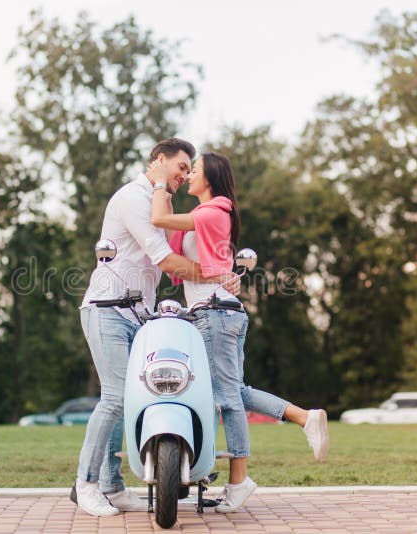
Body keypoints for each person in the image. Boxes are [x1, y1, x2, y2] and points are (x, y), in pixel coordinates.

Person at [148, 152, 330, 513]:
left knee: (228, 399)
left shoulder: (214, 210)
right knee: (236, 391)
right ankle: (304, 417)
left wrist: (157, 181)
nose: (189, 176)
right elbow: (171, 242)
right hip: (216, 312)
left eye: (193, 171)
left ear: (211, 177)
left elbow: (157, 218)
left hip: (215, 314)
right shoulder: (205, 215)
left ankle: (239, 480)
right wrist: (166, 190)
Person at [73, 138, 239, 517]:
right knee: (115, 398)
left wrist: (222, 275)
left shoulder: (158, 203)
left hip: (138, 316)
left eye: (188, 170)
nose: (184, 175)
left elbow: (185, 256)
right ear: (159, 160)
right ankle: (85, 484)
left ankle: (113, 487)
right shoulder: (133, 197)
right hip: (107, 309)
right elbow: (166, 261)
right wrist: (217, 276)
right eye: (181, 167)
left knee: (128, 400)